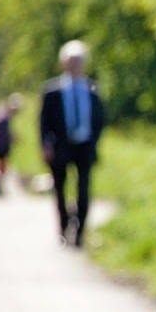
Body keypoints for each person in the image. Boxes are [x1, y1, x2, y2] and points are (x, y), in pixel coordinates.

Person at [39, 40, 106, 247]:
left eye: (78, 61)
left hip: (84, 145)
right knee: (60, 188)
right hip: (61, 144)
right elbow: (43, 122)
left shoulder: (93, 90)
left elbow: (100, 120)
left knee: (84, 188)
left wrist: (95, 142)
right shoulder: (52, 91)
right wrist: (45, 145)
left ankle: (80, 232)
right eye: (71, 61)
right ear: (63, 63)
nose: (74, 65)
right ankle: (63, 227)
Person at [0, 94, 22, 196]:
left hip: (0, 145)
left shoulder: (4, 116)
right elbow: (4, 134)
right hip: (1, 146)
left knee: (2, 168)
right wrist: (14, 139)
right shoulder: (5, 118)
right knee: (2, 168)